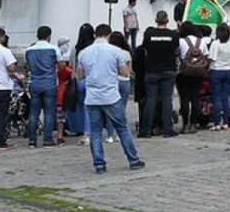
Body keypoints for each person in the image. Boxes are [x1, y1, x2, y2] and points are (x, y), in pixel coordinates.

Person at [76, 24, 144, 174]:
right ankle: (133, 159)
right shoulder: (116, 52)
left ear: (95, 35)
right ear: (109, 35)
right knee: (122, 128)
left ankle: (99, 163)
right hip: (111, 96)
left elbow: (80, 75)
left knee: (95, 131)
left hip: (92, 97)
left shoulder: (83, 53)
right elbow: (125, 73)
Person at [139, 11, 179, 138]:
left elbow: (145, 52)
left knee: (150, 100)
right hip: (168, 70)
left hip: (152, 70)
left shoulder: (149, 34)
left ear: (156, 20)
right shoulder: (173, 35)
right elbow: (176, 51)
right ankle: (168, 128)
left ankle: (146, 129)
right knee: (167, 100)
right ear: (167, 20)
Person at [25, 26, 60, 148]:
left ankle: (32, 140)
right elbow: (61, 66)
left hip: (34, 83)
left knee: (33, 113)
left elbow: (28, 66)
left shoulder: (29, 50)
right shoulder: (54, 48)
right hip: (49, 83)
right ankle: (47, 139)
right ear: (49, 36)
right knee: (49, 113)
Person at [177, 22, 209, 134]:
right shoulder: (201, 42)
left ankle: (185, 125)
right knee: (195, 97)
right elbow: (206, 57)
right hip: (198, 73)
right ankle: (194, 124)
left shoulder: (181, 41)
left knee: (185, 98)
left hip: (184, 73)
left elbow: (177, 56)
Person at [107, 32, 133, 142]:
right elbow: (129, 70)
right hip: (125, 81)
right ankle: (119, 134)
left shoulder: (109, 52)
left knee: (110, 109)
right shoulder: (126, 53)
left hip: (112, 81)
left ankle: (109, 135)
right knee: (122, 108)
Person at [208, 23, 230, 131]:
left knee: (216, 97)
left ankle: (217, 122)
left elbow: (211, 58)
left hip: (216, 71)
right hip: (228, 70)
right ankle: (226, 122)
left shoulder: (215, 43)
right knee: (225, 98)